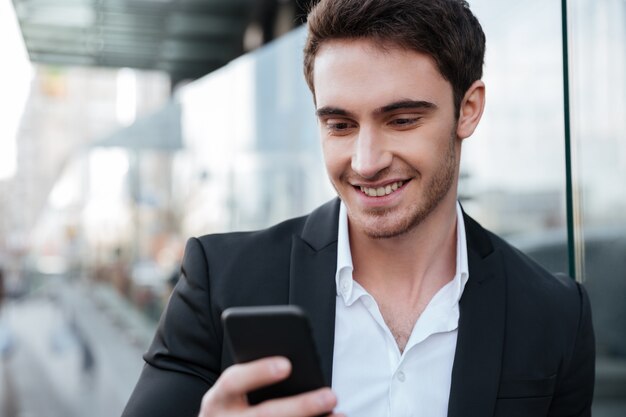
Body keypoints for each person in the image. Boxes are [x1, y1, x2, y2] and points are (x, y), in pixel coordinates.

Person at [122, 0, 595, 416]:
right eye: (341, 125)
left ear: (468, 109)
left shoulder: (555, 316)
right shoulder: (220, 283)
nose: (366, 162)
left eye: (402, 119)